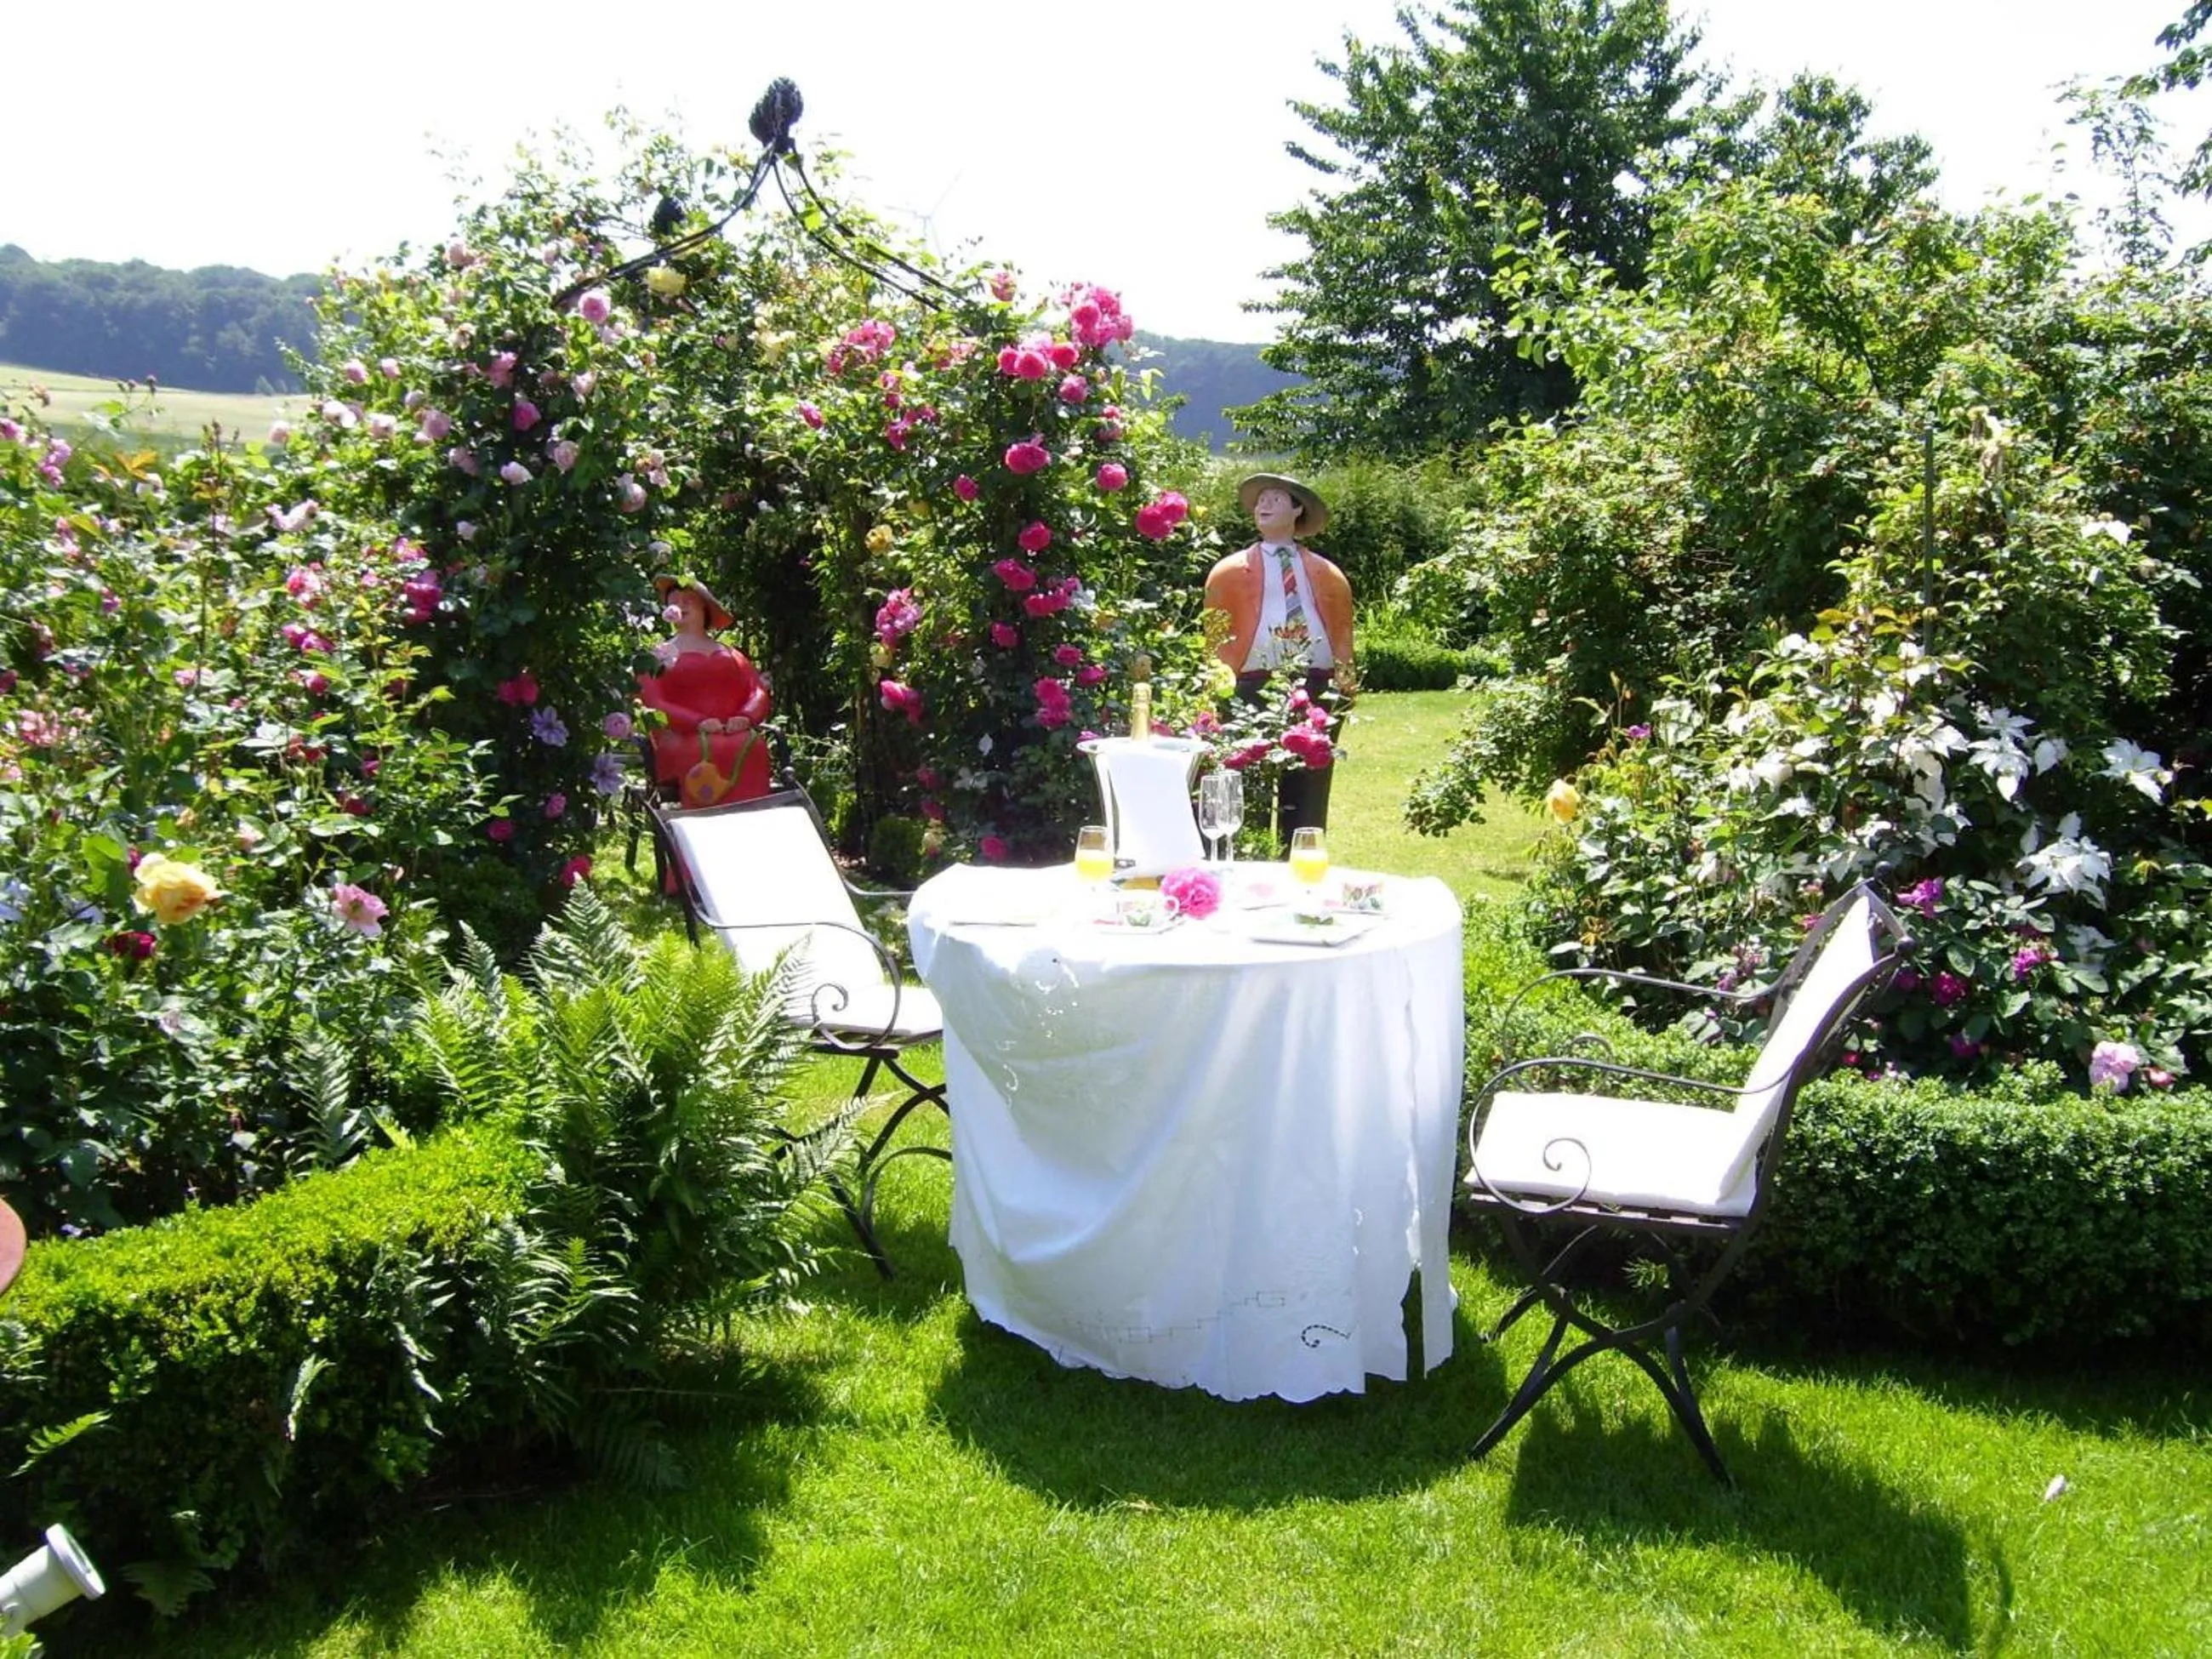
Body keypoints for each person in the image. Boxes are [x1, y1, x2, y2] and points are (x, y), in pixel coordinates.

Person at [1201, 473, 1354, 843]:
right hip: (1249, 683)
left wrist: (1346, 682)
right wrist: (1213, 686)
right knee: (1245, 774)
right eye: (1260, 500)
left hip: (1316, 683)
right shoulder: (1229, 572)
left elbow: (1342, 631)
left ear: (1297, 509)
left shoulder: (1327, 574)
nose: (1264, 506)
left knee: (1310, 779)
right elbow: (1215, 636)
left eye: (1275, 499)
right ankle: (1248, 851)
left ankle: (1301, 852)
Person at [637, 574, 775, 807]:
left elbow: (757, 691)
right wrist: (696, 721)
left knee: (754, 745)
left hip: (735, 733)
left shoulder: (732, 655)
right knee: (701, 749)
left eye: (687, 600)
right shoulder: (657, 657)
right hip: (682, 737)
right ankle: (700, 825)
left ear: (704, 607)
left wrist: (745, 716)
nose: (680, 606)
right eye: (674, 601)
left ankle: (754, 817)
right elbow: (654, 703)